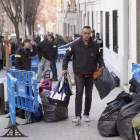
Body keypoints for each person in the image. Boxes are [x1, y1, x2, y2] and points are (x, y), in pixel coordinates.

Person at [62, 26, 105, 125]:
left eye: (88, 33)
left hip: (91, 74)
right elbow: (67, 56)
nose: (86, 35)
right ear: (81, 33)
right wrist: (64, 68)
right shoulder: (75, 44)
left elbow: (100, 56)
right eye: (85, 33)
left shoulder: (94, 45)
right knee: (79, 93)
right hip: (79, 73)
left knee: (89, 95)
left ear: (90, 34)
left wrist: (102, 66)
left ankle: (86, 114)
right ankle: (77, 116)